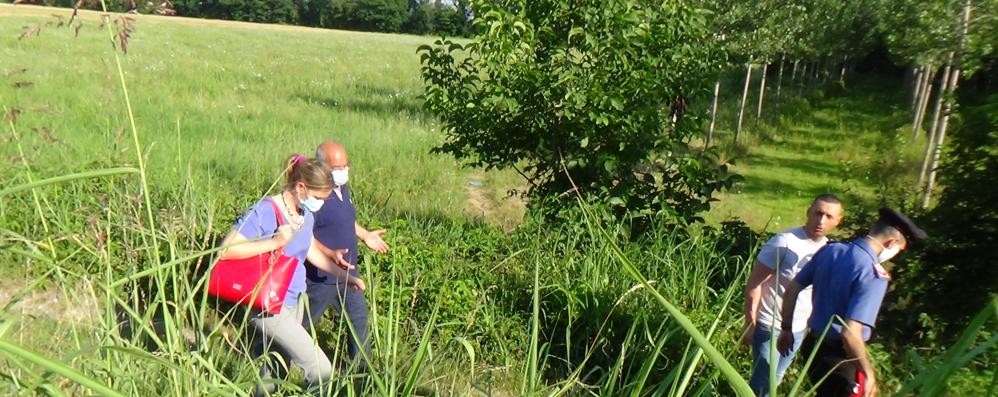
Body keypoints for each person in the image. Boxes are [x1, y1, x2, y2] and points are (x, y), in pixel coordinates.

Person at [217, 154, 366, 396]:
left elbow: (309, 250)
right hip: (266, 303)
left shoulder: (303, 214)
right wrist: (275, 242)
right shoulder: (266, 211)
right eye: (318, 198)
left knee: (275, 368)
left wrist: (345, 276)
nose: (320, 204)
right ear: (300, 187)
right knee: (321, 369)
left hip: (293, 299)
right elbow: (226, 250)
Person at [777, 208, 927, 397]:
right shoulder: (873, 275)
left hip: (813, 347)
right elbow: (850, 334)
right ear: (892, 243)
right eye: (900, 250)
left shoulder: (830, 250)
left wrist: (786, 329)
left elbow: (792, 290)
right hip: (841, 357)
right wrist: (867, 372)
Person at [742, 194, 844, 396]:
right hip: (769, 325)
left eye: (828, 217)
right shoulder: (785, 243)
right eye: (818, 213)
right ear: (808, 212)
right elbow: (754, 284)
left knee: (776, 379)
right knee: (763, 385)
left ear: (838, 221)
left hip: (798, 328)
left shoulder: (828, 250)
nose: (821, 221)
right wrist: (750, 322)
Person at [303, 141, 389, 372]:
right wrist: (328, 253)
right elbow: (303, 234)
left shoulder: (342, 189)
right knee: (304, 323)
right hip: (320, 276)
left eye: (345, 166)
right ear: (322, 166)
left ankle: (362, 373)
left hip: (349, 272)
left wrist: (365, 235)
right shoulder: (314, 195)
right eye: (337, 167)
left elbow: (344, 219)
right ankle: (274, 358)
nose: (343, 172)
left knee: (359, 318)